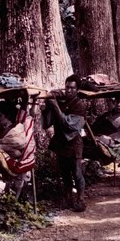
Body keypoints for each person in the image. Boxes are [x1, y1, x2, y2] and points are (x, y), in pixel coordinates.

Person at [43, 74, 87, 212]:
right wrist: (48, 107)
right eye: (67, 87)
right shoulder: (61, 101)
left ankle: (81, 199)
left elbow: (69, 125)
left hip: (74, 144)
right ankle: (68, 198)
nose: (68, 90)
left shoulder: (79, 105)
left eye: (72, 88)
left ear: (77, 90)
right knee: (65, 173)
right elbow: (47, 123)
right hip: (61, 142)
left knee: (77, 173)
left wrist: (55, 106)